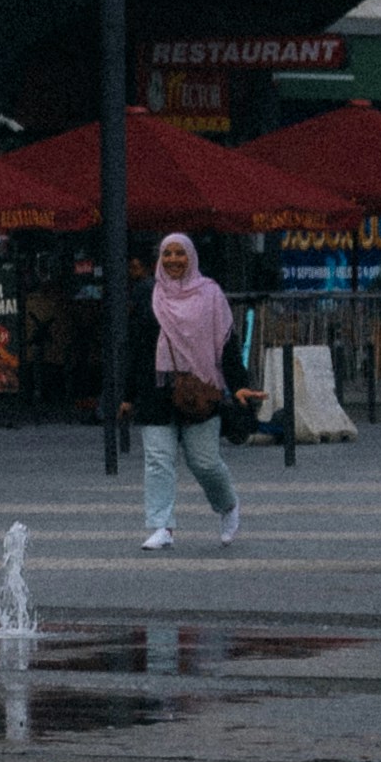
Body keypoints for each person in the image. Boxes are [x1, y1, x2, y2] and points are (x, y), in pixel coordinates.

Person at [134, 230, 242, 552]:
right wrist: (124, 394)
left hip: (200, 391)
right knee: (158, 460)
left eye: (180, 253)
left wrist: (241, 386)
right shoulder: (146, 293)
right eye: (167, 254)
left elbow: (227, 345)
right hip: (155, 390)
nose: (173, 260)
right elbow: (135, 345)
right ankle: (162, 526)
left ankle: (228, 506)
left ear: (191, 257)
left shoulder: (210, 294)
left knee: (205, 462)